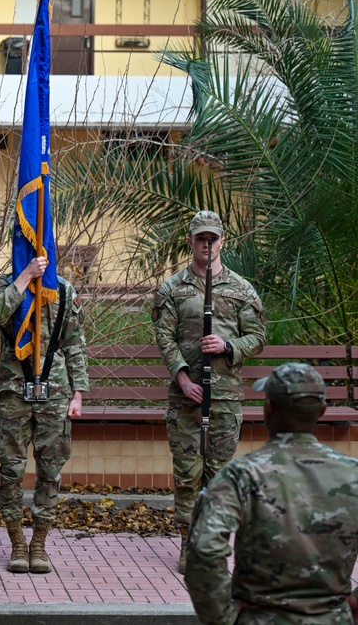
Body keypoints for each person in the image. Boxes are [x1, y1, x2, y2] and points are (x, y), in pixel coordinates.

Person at [185, 363, 358, 624]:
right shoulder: (352, 474)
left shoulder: (241, 475)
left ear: (269, 409)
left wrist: (223, 617)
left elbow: (204, 549)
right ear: (321, 411)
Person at [152, 210, 266, 573]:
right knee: (187, 473)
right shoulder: (172, 288)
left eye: (212, 238)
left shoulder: (241, 289)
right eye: (201, 238)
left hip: (226, 396)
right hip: (187, 396)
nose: (207, 244)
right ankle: (187, 546)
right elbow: (164, 338)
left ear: (222, 241)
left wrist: (229, 346)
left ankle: (212, 543)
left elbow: (258, 338)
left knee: (218, 475)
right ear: (191, 241)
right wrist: (182, 377)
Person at [0, 255, 88, 574]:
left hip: (55, 391)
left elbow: (74, 343)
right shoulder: (4, 285)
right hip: (13, 389)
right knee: (11, 469)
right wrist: (25, 277)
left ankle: (39, 543)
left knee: (50, 470)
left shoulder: (63, 290)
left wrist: (79, 392)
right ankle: (16, 542)